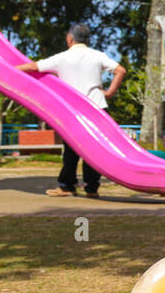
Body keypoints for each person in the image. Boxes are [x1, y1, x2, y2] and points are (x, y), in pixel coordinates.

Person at [14, 22, 125, 197]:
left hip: (73, 110)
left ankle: (67, 186)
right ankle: (92, 188)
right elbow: (120, 70)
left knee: (71, 149)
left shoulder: (62, 57)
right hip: (97, 107)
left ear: (70, 38)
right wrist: (109, 92)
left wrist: (8, 70)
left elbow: (33, 67)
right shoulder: (97, 55)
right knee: (94, 149)